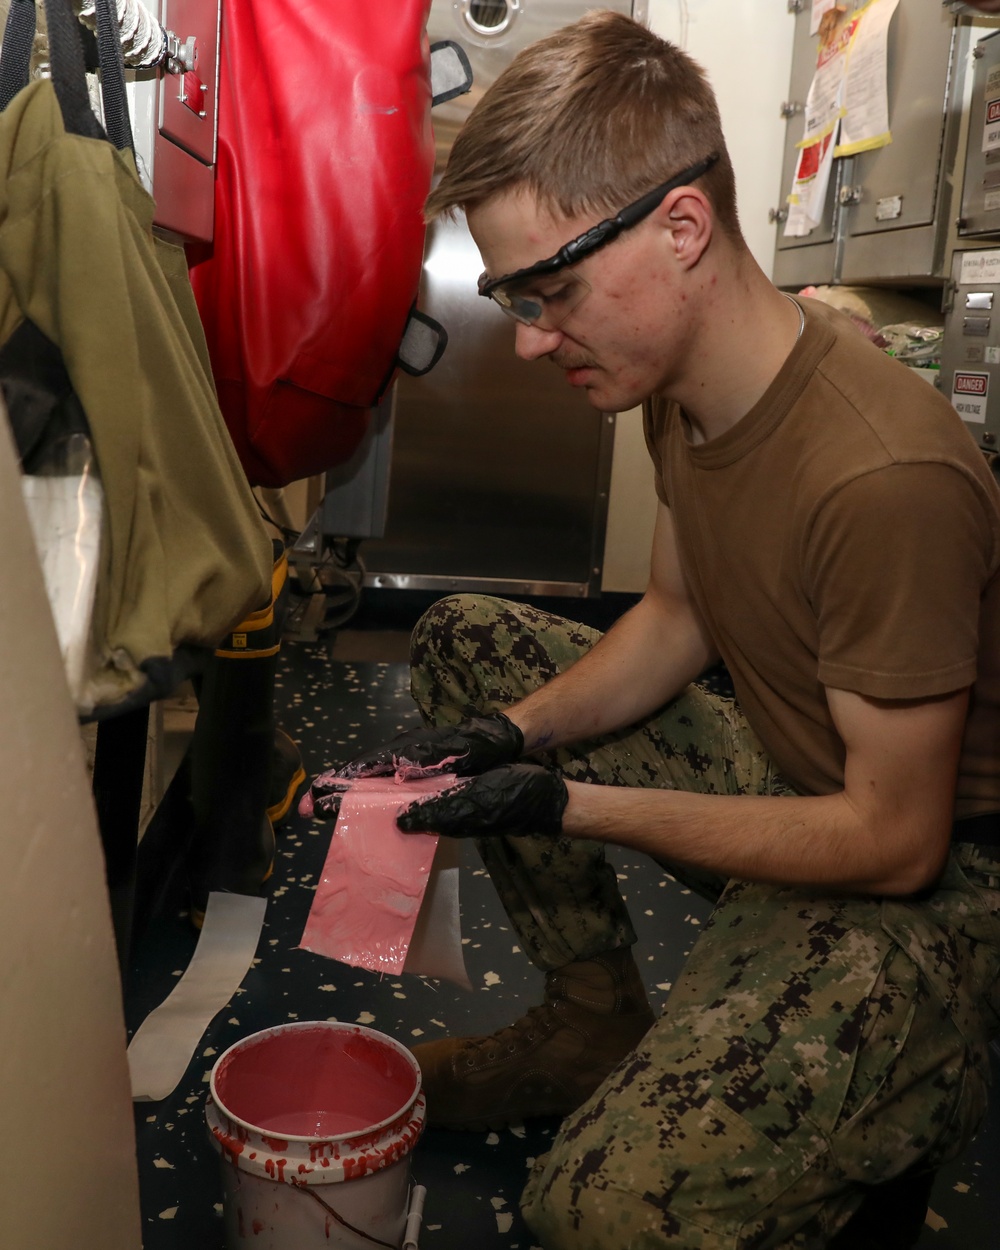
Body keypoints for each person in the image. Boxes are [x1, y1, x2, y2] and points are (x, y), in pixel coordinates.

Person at [306, 12, 1000, 1248]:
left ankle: (901, 1095)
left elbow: (896, 841)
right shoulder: (674, 390)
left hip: (939, 879)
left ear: (681, 228)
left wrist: (566, 801)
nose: (528, 337)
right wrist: (506, 733)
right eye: (513, 295)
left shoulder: (883, 473)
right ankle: (589, 1019)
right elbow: (678, 619)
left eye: (551, 290)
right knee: (474, 636)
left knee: (598, 1210)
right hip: (804, 771)